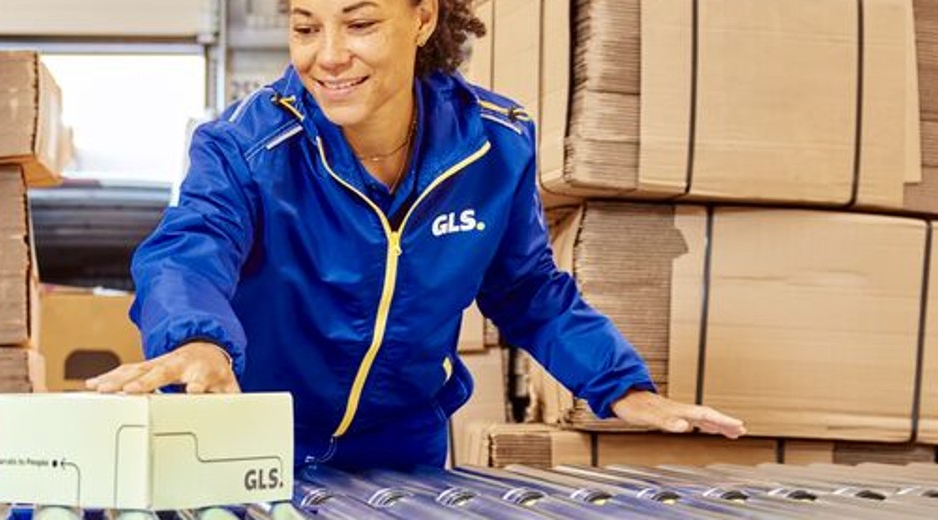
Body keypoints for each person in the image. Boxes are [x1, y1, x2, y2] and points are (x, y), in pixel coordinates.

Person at [87, 0, 746, 469]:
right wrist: (197, 339)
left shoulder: (495, 145)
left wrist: (620, 386)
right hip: (248, 442)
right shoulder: (246, 146)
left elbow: (527, 291)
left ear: (423, 17)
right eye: (306, 27)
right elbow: (189, 248)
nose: (329, 56)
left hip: (401, 456)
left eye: (361, 23)